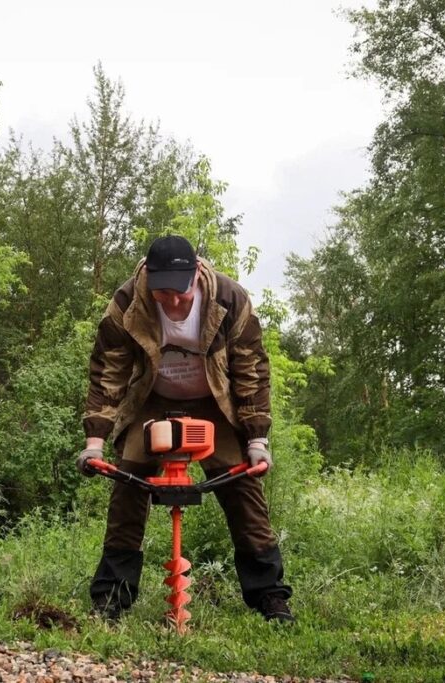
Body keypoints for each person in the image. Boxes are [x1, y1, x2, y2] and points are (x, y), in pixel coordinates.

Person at [78, 234, 294, 623]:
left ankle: (271, 598)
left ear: (196, 274)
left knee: (242, 488)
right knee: (128, 485)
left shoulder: (230, 299)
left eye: (180, 293)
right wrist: (94, 442)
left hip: (214, 401)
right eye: (163, 294)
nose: (173, 302)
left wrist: (257, 438)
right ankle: (110, 600)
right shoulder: (128, 303)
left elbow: (251, 371)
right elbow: (108, 371)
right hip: (153, 399)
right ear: (148, 278)